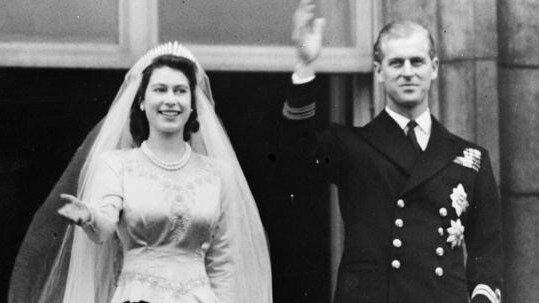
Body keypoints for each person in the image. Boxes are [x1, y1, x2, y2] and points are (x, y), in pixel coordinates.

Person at [9, 42, 272, 303]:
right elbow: (104, 228)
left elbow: (223, 261)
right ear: (143, 101)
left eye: (180, 91)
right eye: (160, 90)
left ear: (192, 103)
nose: (170, 100)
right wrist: (89, 216)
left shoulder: (218, 173)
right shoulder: (115, 164)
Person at [279, 1, 502, 302]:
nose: (407, 72)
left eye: (417, 62)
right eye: (396, 63)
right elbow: (295, 151)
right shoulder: (352, 146)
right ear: (378, 71)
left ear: (434, 68)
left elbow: (486, 251)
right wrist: (305, 65)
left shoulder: (470, 158)